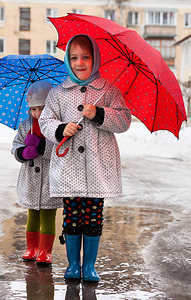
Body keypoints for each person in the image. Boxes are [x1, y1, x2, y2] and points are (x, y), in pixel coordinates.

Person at [39, 34, 131, 281]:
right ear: (68, 60)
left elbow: (124, 121)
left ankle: (89, 265)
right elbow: (45, 120)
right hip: (69, 166)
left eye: (86, 57)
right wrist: (60, 129)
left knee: (92, 215)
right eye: (74, 57)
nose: (80, 63)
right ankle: (72, 265)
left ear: (95, 59)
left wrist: (99, 113)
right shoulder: (58, 92)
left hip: (97, 167)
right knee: (72, 215)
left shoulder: (108, 90)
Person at [11, 80, 62, 266]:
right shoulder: (26, 125)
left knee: (48, 214)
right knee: (32, 213)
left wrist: (41, 146)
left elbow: (60, 149)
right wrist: (23, 152)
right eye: (33, 109)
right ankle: (32, 248)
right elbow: (16, 145)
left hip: (50, 178)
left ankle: (45, 252)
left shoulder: (55, 125)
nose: (37, 113)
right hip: (30, 178)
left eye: (41, 108)